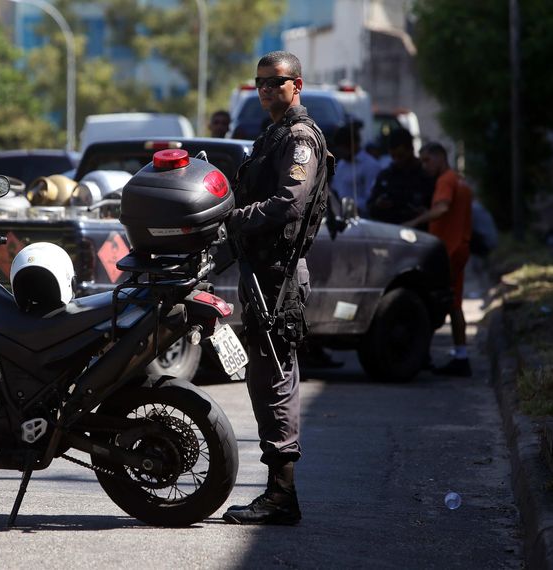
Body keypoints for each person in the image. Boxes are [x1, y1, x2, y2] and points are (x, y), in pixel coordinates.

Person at [222, 51, 331, 525]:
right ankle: (278, 492)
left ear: (297, 84)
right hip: (261, 270)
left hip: (279, 275)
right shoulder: (272, 134)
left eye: (275, 82)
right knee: (264, 376)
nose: (266, 89)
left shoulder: (301, 138)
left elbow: (289, 202)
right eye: (260, 83)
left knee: (276, 379)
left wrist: (235, 218)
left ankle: (282, 495)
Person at [402, 142, 473, 376]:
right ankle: (460, 355)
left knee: (442, 303)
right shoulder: (458, 180)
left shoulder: (445, 181)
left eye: (427, 160)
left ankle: (430, 355)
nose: (424, 166)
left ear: (440, 157)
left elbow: (443, 209)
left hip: (449, 251)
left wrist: (416, 221)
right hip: (458, 247)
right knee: (454, 304)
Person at [366, 128, 434, 229]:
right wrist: (378, 205)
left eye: (401, 156)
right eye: (393, 156)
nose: (397, 160)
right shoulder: (386, 175)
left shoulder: (426, 174)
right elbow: (370, 208)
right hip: (391, 232)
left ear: (411, 149)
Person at [331, 123, 384, 216]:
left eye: (342, 148)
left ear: (353, 144)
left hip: (362, 219)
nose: (340, 152)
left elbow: (372, 198)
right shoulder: (341, 164)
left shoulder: (370, 165)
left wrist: (354, 207)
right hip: (339, 216)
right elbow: (336, 190)